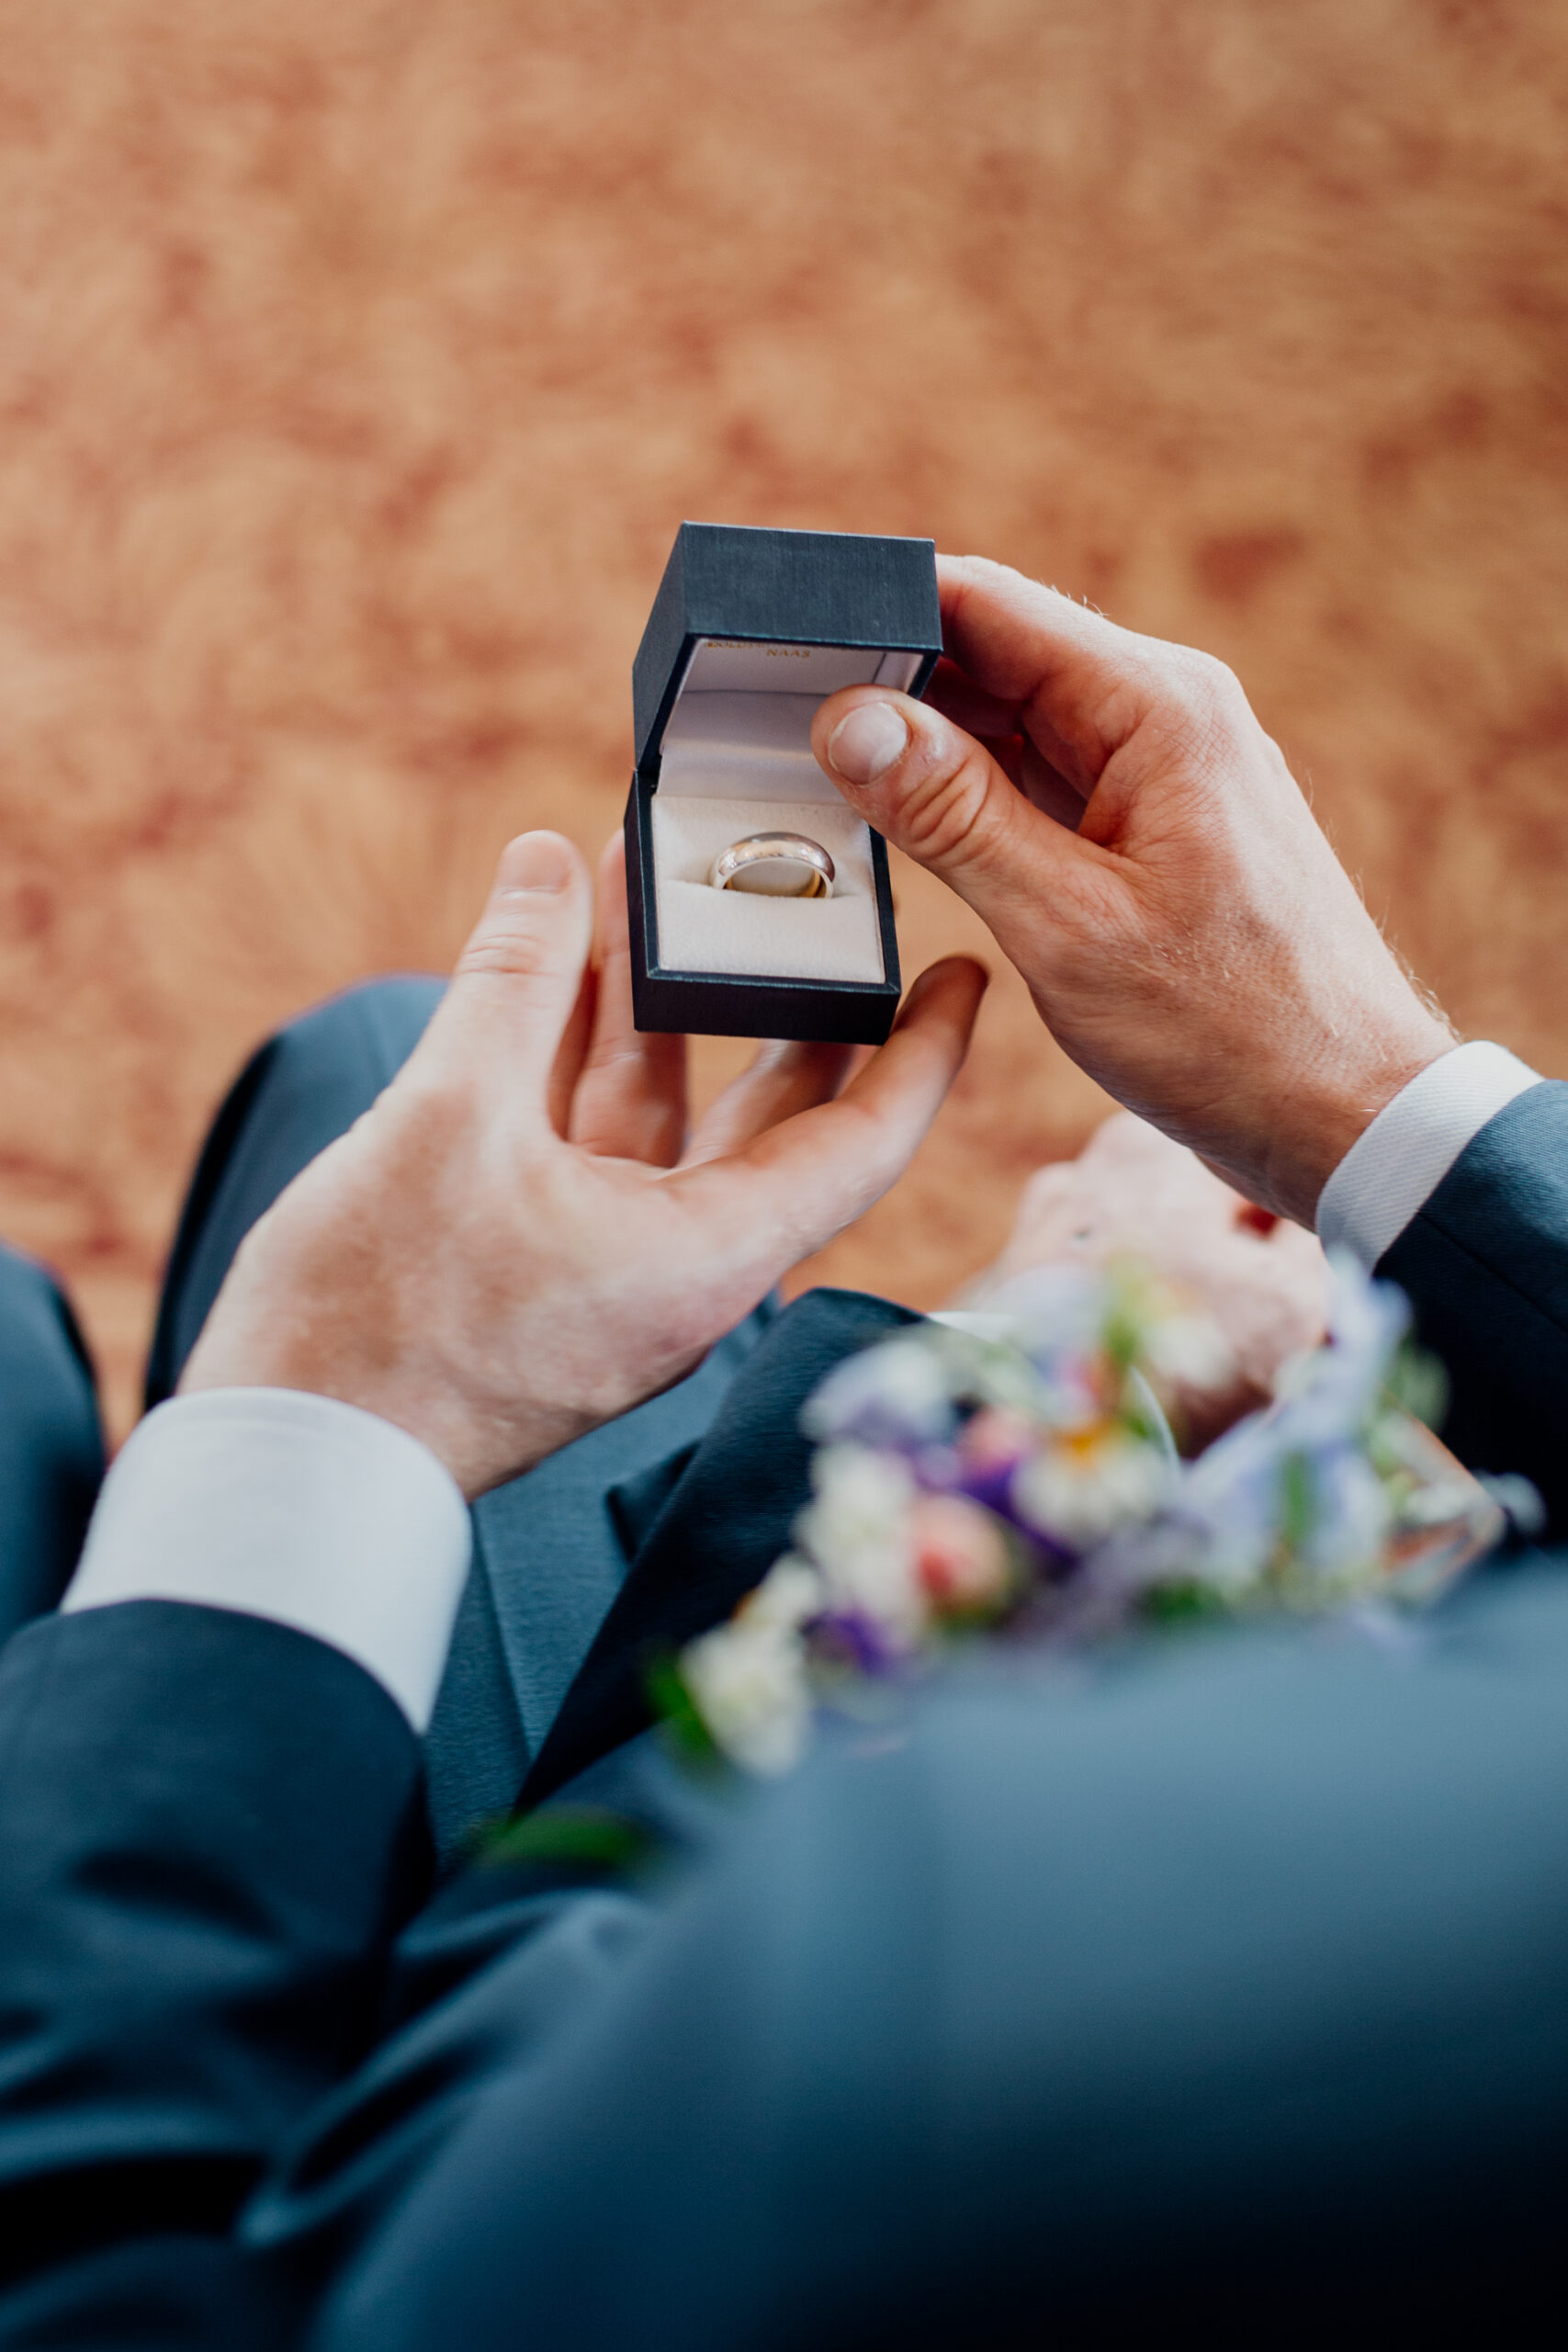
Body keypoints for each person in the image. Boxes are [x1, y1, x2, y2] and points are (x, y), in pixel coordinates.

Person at [1, 557, 1565, 2348]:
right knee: (377, 1062)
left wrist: (331, 1407)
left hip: (554, 2040)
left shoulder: (949, 1954)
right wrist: (1374, 1100)